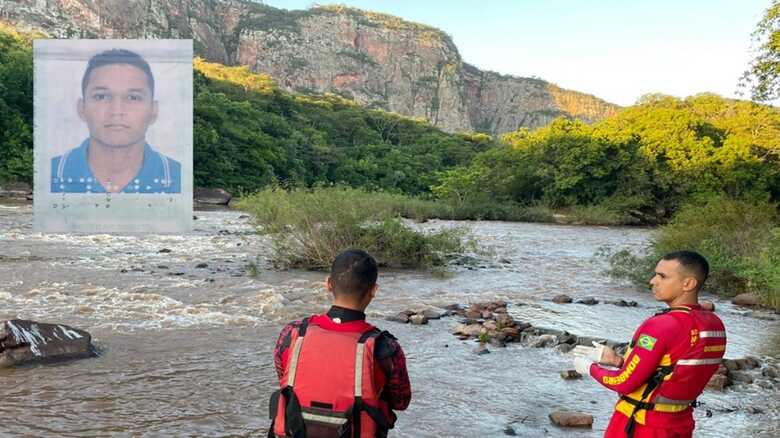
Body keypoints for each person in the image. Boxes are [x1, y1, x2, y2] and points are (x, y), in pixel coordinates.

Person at [573, 251, 726, 438]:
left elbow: (623, 383)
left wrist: (589, 368)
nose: (653, 281)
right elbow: (674, 371)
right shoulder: (714, 324)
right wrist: (618, 361)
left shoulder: (661, 325)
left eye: (662, 276)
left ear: (688, 284)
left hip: (640, 424)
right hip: (680, 424)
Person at [270, 249, 411, 437]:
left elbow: (284, 377)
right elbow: (400, 402)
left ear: (328, 284)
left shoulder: (292, 333)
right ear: (374, 290)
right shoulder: (385, 347)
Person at [50, 48, 181, 194]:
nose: (116, 111)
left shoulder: (179, 179)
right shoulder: (49, 174)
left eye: (133, 97)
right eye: (101, 96)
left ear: (153, 111)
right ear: (82, 109)